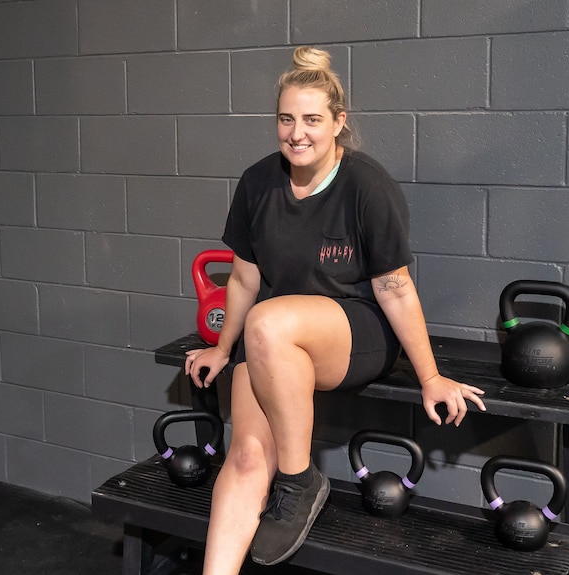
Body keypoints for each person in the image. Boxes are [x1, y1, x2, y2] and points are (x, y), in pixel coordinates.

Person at [184, 45, 487, 574]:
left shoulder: (368, 185)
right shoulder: (257, 183)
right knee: (248, 455)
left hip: (356, 333)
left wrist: (431, 376)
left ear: (338, 123)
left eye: (312, 120)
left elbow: (394, 288)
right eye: (285, 119)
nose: (297, 133)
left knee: (269, 320)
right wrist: (221, 348)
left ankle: (299, 481)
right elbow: (244, 277)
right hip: (273, 340)